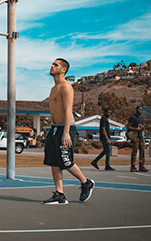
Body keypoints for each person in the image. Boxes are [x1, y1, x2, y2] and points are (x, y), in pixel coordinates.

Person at [43, 58, 94, 205]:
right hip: (54, 128)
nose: (52, 66)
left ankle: (86, 182)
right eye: (52, 64)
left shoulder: (66, 86)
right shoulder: (53, 89)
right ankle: (59, 194)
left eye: (56, 65)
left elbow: (67, 110)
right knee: (54, 162)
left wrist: (66, 133)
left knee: (66, 161)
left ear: (63, 70)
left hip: (65, 128)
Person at [127, 106, 149, 172]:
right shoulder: (132, 118)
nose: (140, 111)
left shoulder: (141, 118)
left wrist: (142, 127)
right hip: (135, 136)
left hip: (140, 136)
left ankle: (141, 166)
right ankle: (133, 166)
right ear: (136, 109)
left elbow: (143, 127)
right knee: (134, 151)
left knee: (142, 151)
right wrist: (135, 128)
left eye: (141, 110)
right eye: (139, 109)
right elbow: (128, 126)